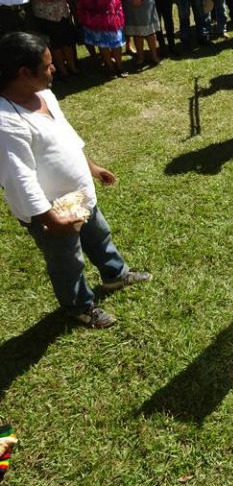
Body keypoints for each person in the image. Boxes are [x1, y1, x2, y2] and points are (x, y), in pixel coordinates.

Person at [0, 32, 152, 329]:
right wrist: (51, 221)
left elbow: (66, 135)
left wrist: (91, 167)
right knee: (67, 260)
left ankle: (115, 275)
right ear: (24, 73)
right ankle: (79, 306)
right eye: (47, 65)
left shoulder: (44, 95)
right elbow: (19, 178)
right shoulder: (6, 122)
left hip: (79, 197)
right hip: (52, 210)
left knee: (99, 235)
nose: (54, 68)